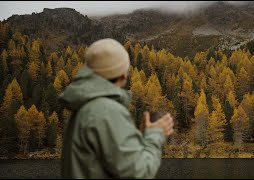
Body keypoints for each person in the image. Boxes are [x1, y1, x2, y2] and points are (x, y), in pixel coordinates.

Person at [60, 38, 174, 179]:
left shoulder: (85, 108)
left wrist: (143, 137)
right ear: (123, 75)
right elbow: (138, 173)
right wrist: (155, 135)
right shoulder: (106, 110)